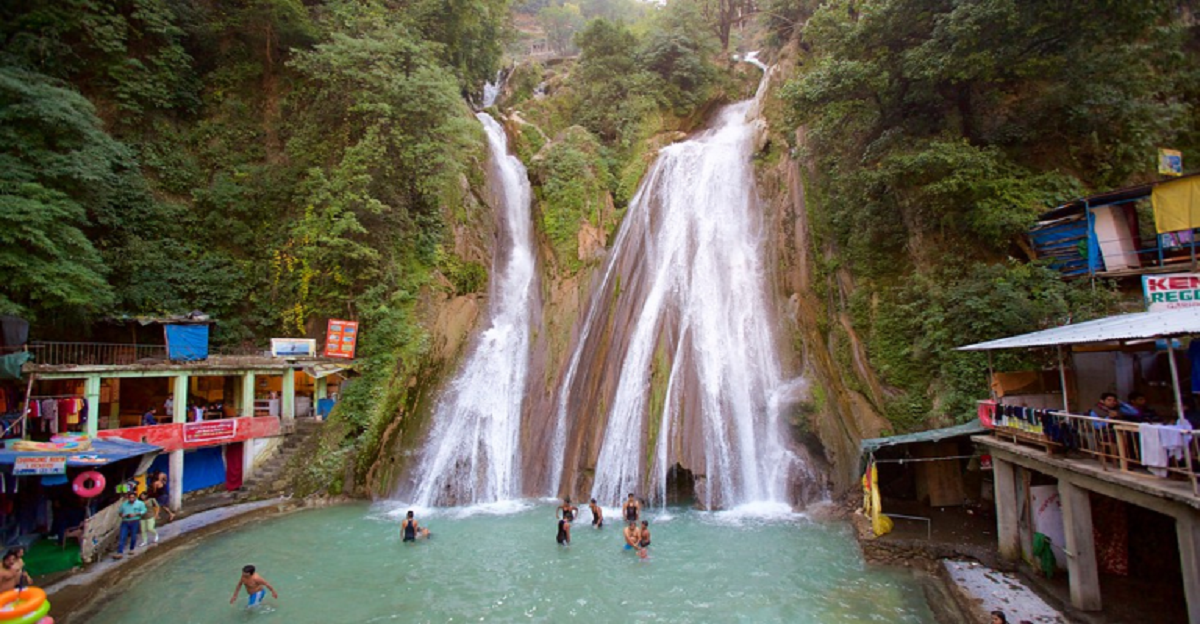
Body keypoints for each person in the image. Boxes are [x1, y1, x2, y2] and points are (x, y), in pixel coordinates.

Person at [114, 491, 145, 559]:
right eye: (130, 498)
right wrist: (122, 515)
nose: (131, 499)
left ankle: (131, 549)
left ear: (135, 497)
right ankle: (120, 552)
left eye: (133, 498)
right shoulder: (124, 504)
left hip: (135, 521)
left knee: (133, 536)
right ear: (128, 498)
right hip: (125, 521)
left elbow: (144, 511)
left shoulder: (140, 503)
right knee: (122, 536)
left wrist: (136, 514)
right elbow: (120, 513)